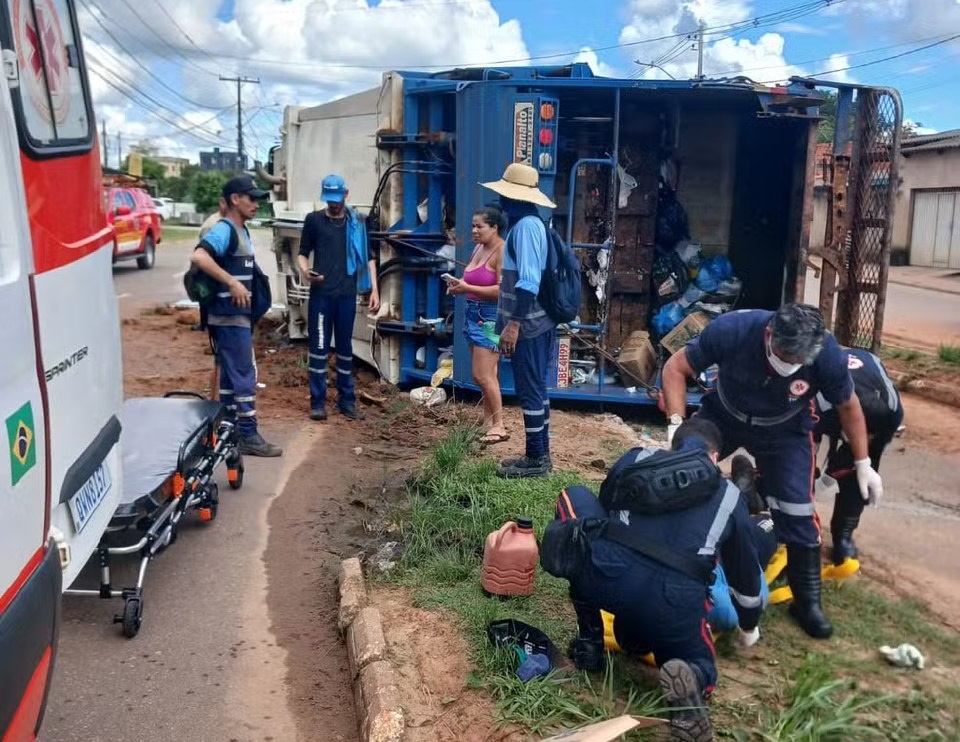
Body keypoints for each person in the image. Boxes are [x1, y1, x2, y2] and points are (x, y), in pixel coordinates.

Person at [660, 303, 883, 639]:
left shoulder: (826, 353)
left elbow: (848, 406)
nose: (790, 364)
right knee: (686, 469)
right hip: (723, 416)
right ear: (769, 335)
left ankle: (807, 603)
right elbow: (675, 368)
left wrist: (863, 463)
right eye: (785, 356)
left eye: (798, 361)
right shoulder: (733, 330)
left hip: (785, 431)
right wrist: (676, 426)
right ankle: (666, 555)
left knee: (797, 511)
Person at [550, 418, 762, 742]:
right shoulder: (731, 497)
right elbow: (745, 577)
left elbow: (603, 508)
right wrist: (749, 625)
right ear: (715, 456)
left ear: (673, 446)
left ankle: (589, 643)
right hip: (674, 605)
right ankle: (692, 681)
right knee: (696, 662)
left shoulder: (637, 458)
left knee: (574, 499)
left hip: (610, 578)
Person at [190, 175, 282, 457]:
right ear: (234, 199)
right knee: (244, 375)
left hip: (236, 317)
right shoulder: (225, 230)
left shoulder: (241, 231)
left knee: (231, 379)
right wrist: (231, 282)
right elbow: (199, 257)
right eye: (251, 198)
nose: (256, 204)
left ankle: (229, 430)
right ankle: (248, 434)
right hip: (229, 317)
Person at [480, 163, 557, 478]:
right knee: (536, 388)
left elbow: (528, 283)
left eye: (505, 194)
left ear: (514, 198)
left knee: (529, 390)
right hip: (539, 322)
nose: (501, 200)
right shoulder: (533, 224)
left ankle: (536, 459)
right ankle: (540, 455)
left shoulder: (525, 228)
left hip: (530, 325)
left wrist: (513, 326)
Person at [296, 174, 380, 421]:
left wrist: (374, 289)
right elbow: (302, 253)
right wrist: (306, 271)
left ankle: (347, 402)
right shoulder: (314, 220)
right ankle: (317, 402)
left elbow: (369, 257)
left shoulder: (357, 222)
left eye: (337, 198)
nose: (333, 204)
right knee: (319, 349)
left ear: (346, 194)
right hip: (321, 295)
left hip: (346, 294)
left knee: (345, 348)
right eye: (329, 199)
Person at [815, 347, 903, 566]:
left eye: (870, 436)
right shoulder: (821, 405)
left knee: (859, 474)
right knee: (797, 470)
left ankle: (843, 534)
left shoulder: (892, 411)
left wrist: (860, 463)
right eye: (862, 434)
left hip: (866, 368)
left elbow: (866, 458)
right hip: (824, 404)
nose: (864, 440)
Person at [444, 206, 509, 444]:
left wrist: (467, 288)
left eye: (479, 226)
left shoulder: (502, 251)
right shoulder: (478, 248)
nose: (474, 230)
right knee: (488, 373)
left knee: (482, 375)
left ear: (494, 227)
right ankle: (488, 420)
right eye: (473, 226)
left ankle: (500, 425)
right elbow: (471, 279)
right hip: (472, 313)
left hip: (490, 316)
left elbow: (502, 291)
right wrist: (457, 285)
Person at [199, 196, 228, 400]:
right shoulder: (214, 227)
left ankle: (219, 403)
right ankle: (215, 403)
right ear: (223, 202)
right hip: (218, 302)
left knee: (225, 358)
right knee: (221, 358)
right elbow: (204, 264)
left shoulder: (230, 225)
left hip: (228, 303)